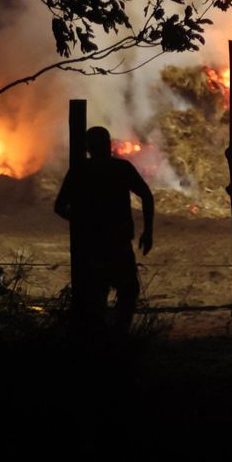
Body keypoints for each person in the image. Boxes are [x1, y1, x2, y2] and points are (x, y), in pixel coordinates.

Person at [54, 124, 154, 335]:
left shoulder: (80, 170)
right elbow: (146, 195)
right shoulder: (121, 169)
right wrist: (148, 231)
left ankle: (99, 336)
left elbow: (59, 207)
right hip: (118, 242)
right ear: (108, 145)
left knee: (95, 293)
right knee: (127, 290)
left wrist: (81, 221)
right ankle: (119, 333)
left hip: (91, 244)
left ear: (88, 148)